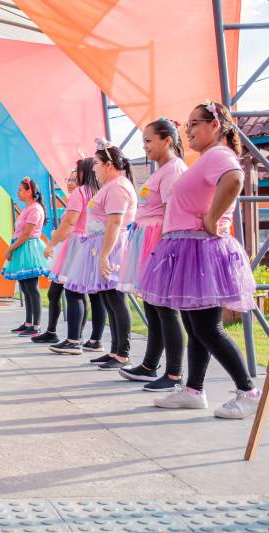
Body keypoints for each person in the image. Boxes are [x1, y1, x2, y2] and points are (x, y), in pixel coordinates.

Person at [141, 101, 261, 418]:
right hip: (188, 250)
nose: (188, 130)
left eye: (194, 123)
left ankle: (249, 392)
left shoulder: (219, 155)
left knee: (208, 329)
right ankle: (193, 390)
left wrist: (212, 219)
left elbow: (234, 180)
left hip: (200, 250)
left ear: (215, 126)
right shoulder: (207, 158)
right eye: (188, 124)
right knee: (196, 329)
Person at [117, 118, 187, 391]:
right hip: (146, 241)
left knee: (165, 310)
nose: (145, 146)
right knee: (152, 306)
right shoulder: (162, 170)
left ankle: (174, 374)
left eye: (148, 140)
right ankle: (149, 365)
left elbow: (172, 211)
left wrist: (162, 248)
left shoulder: (173, 170)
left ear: (166, 140)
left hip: (158, 242)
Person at [62, 141, 137, 369]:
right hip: (100, 245)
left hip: (111, 247)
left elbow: (115, 223)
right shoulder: (109, 186)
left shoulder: (117, 187)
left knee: (115, 299)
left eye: (96, 163)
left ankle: (122, 352)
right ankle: (114, 350)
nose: (93, 168)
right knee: (107, 298)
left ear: (109, 165)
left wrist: (104, 255)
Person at [43, 158, 107, 354]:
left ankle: (73, 340)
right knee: (95, 295)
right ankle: (95, 340)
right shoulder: (98, 191)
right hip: (95, 242)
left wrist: (52, 243)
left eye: (76, 171)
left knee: (73, 291)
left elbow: (70, 221)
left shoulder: (80, 192)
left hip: (77, 244)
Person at [32, 168, 78, 345]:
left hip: (73, 248)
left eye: (74, 179)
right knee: (55, 293)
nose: (70, 182)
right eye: (69, 178)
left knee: (75, 294)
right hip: (64, 247)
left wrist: (53, 242)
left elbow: (71, 224)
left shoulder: (80, 196)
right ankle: (52, 331)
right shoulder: (74, 197)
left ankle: (76, 338)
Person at [2, 177, 49, 337]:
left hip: (29, 249)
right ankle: (28, 322)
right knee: (24, 287)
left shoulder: (35, 209)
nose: (18, 192)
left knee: (31, 288)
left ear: (29, 192)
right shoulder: (27, 208)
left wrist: (11, 249)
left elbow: (27, 234)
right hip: (22, 248)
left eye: (21, 189)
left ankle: (36, 325)